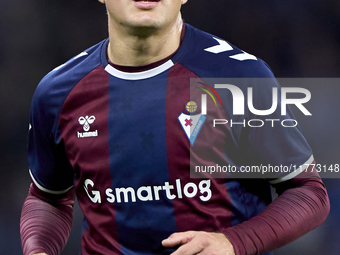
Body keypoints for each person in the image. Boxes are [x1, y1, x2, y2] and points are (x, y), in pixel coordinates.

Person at [20, 0, 330, 254]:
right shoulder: (58, 92)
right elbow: (48, 197)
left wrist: (233, 243)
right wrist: (38, 250)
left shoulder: (237, 76)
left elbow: (308, 192)